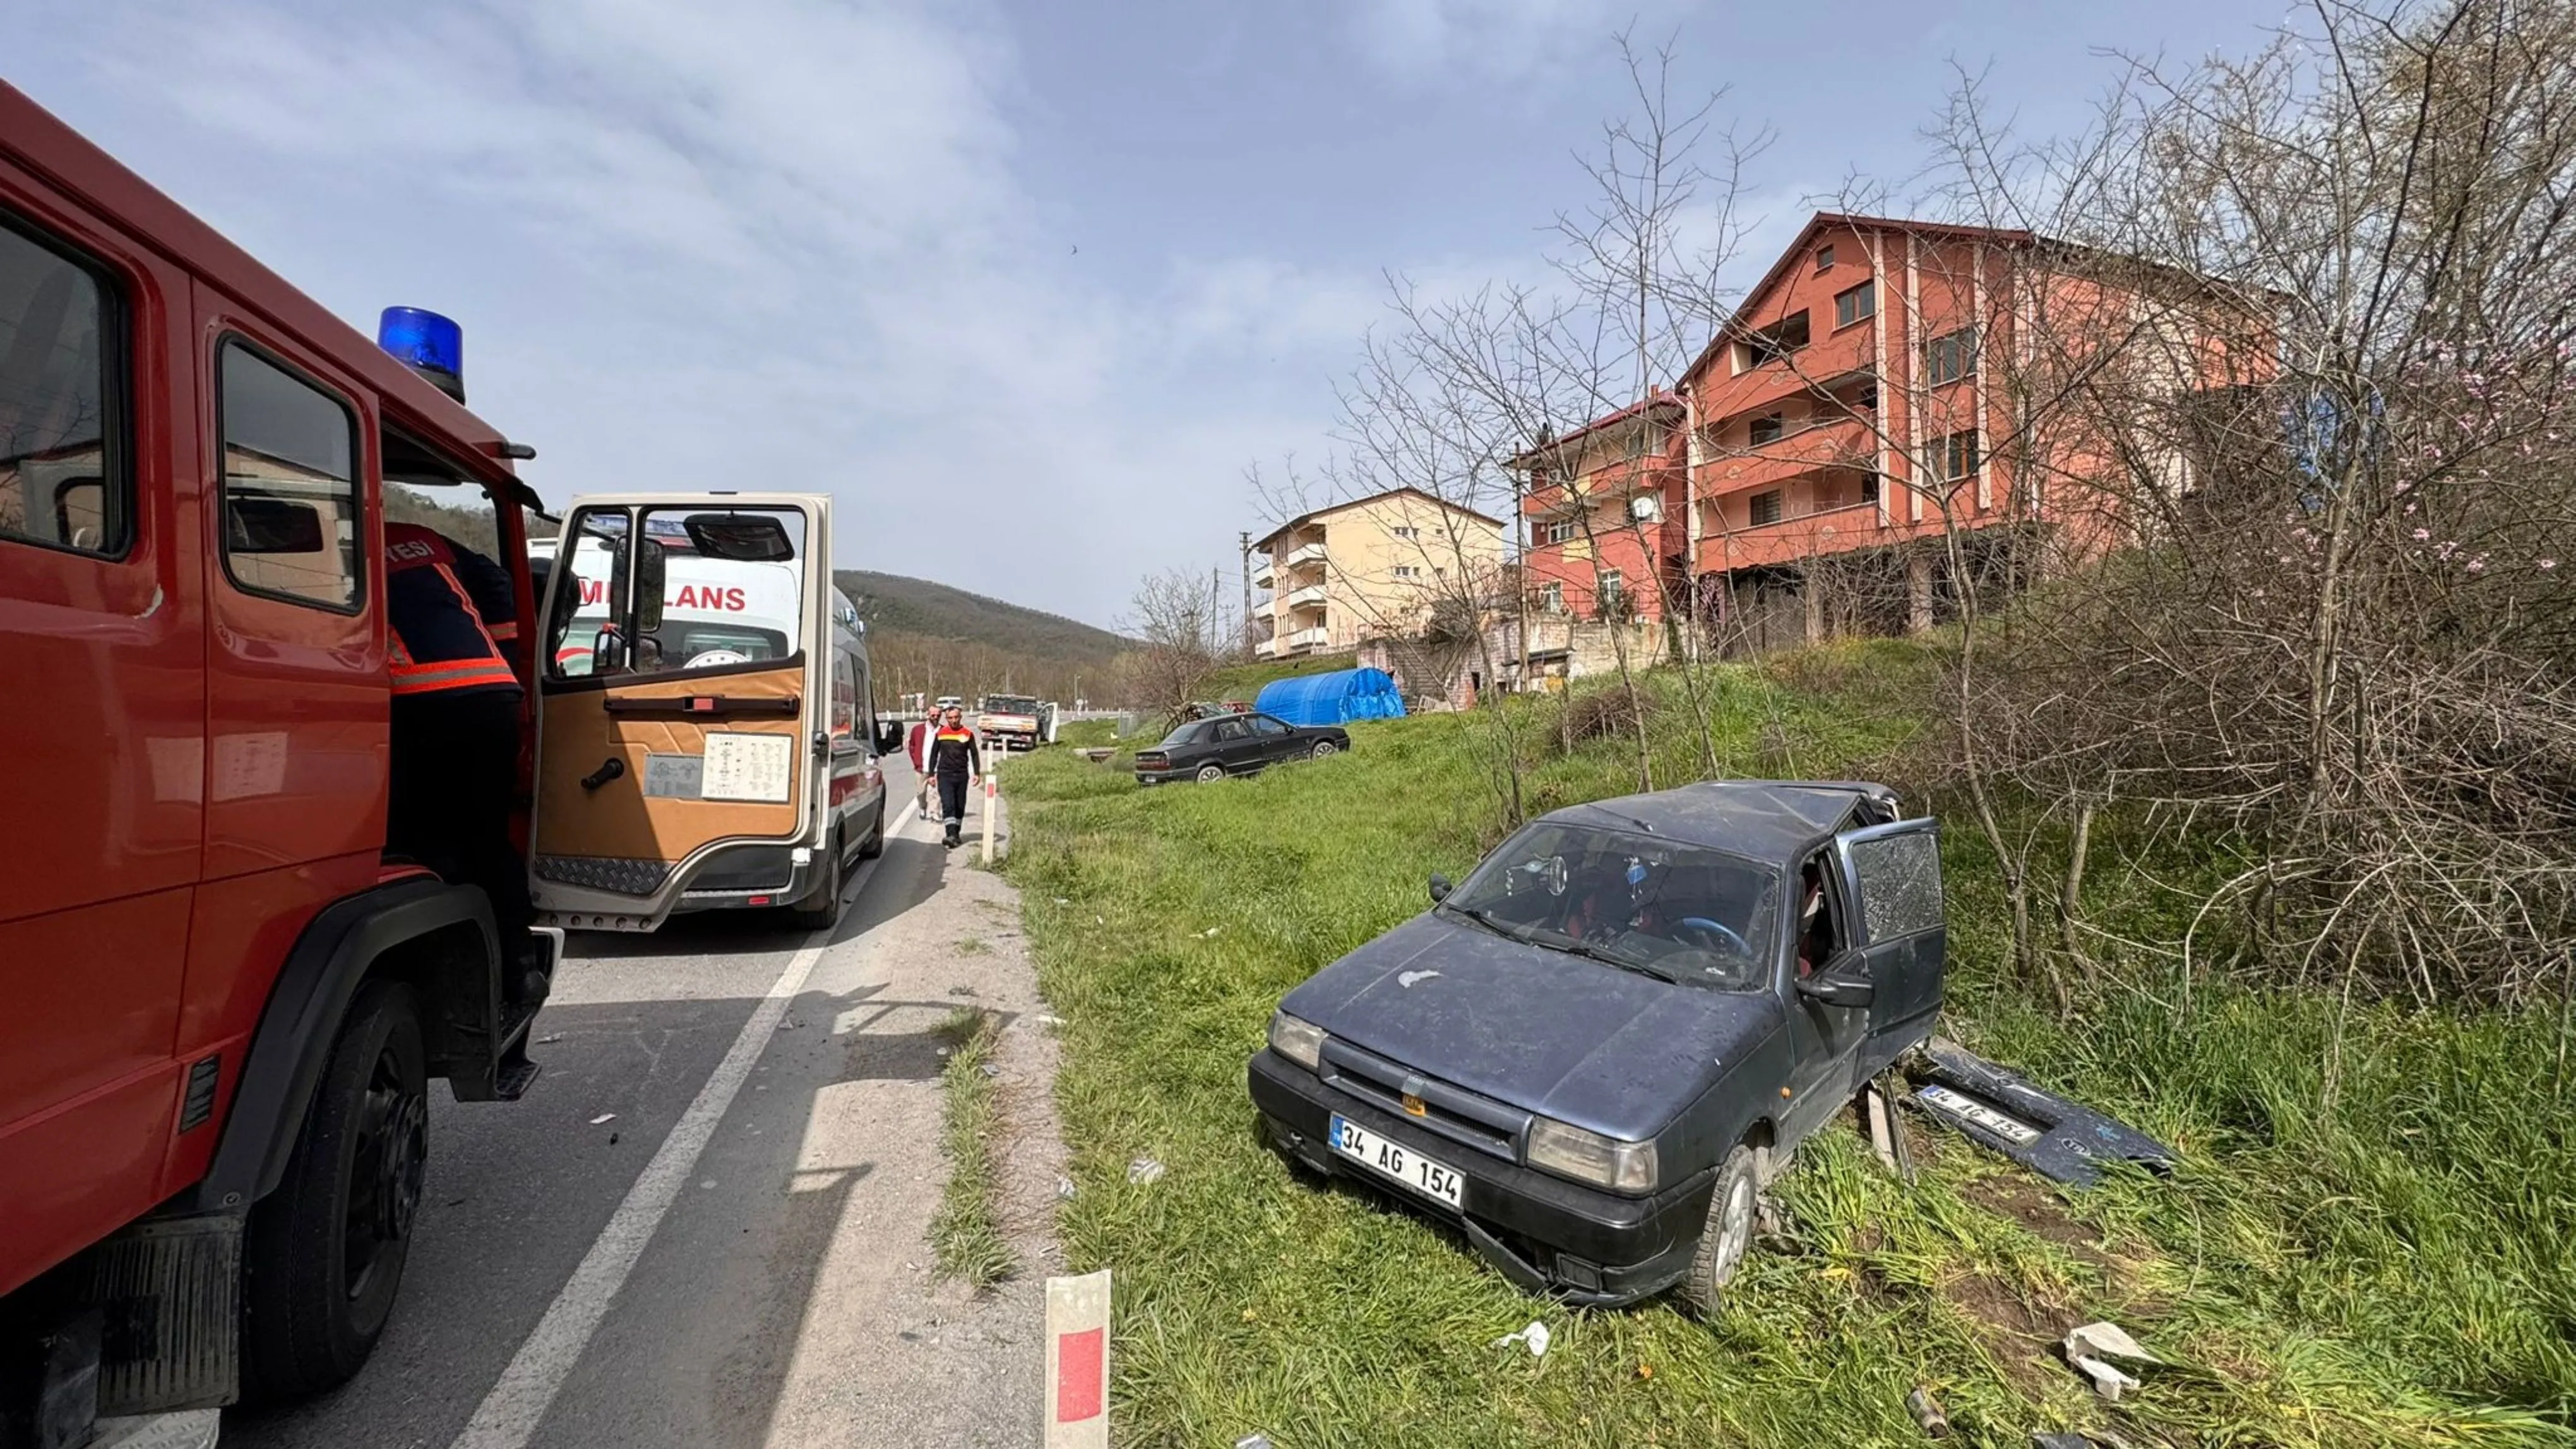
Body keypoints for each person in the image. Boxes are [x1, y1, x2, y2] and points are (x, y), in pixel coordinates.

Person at [383, 520, 544, 1003]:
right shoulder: (419, 535)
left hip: (417, 700)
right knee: (487, 835)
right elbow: (496, 582)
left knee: (410, 841)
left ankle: (441, 976)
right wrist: (505, 656)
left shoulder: (345, 532)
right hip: (490, 694)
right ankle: (520, 966)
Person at [922, 705, 982, 848]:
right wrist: (931, 774)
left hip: (962, 775)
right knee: (948, 804)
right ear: (947, 718)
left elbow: (974, 754)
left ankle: (956, 834)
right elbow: (934, 754)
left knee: (959, 806)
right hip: (945, 774)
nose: (954, 721)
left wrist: (977, 773)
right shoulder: (941, 733)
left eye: (956, 717)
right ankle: (950, 834)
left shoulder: (968, 733)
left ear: (960, 718)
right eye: (950, 718)